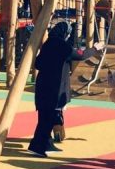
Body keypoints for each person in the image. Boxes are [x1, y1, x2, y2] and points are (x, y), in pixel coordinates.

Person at [28, 22, 97, 157]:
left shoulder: (48, 44)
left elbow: (38, 63)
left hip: (43, 85)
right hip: (54, 87)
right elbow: (80, 55)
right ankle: (37, 146)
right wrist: (94, 49)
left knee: (45, 116)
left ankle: (46, 143)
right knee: (47, 119)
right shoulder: (61, 45)